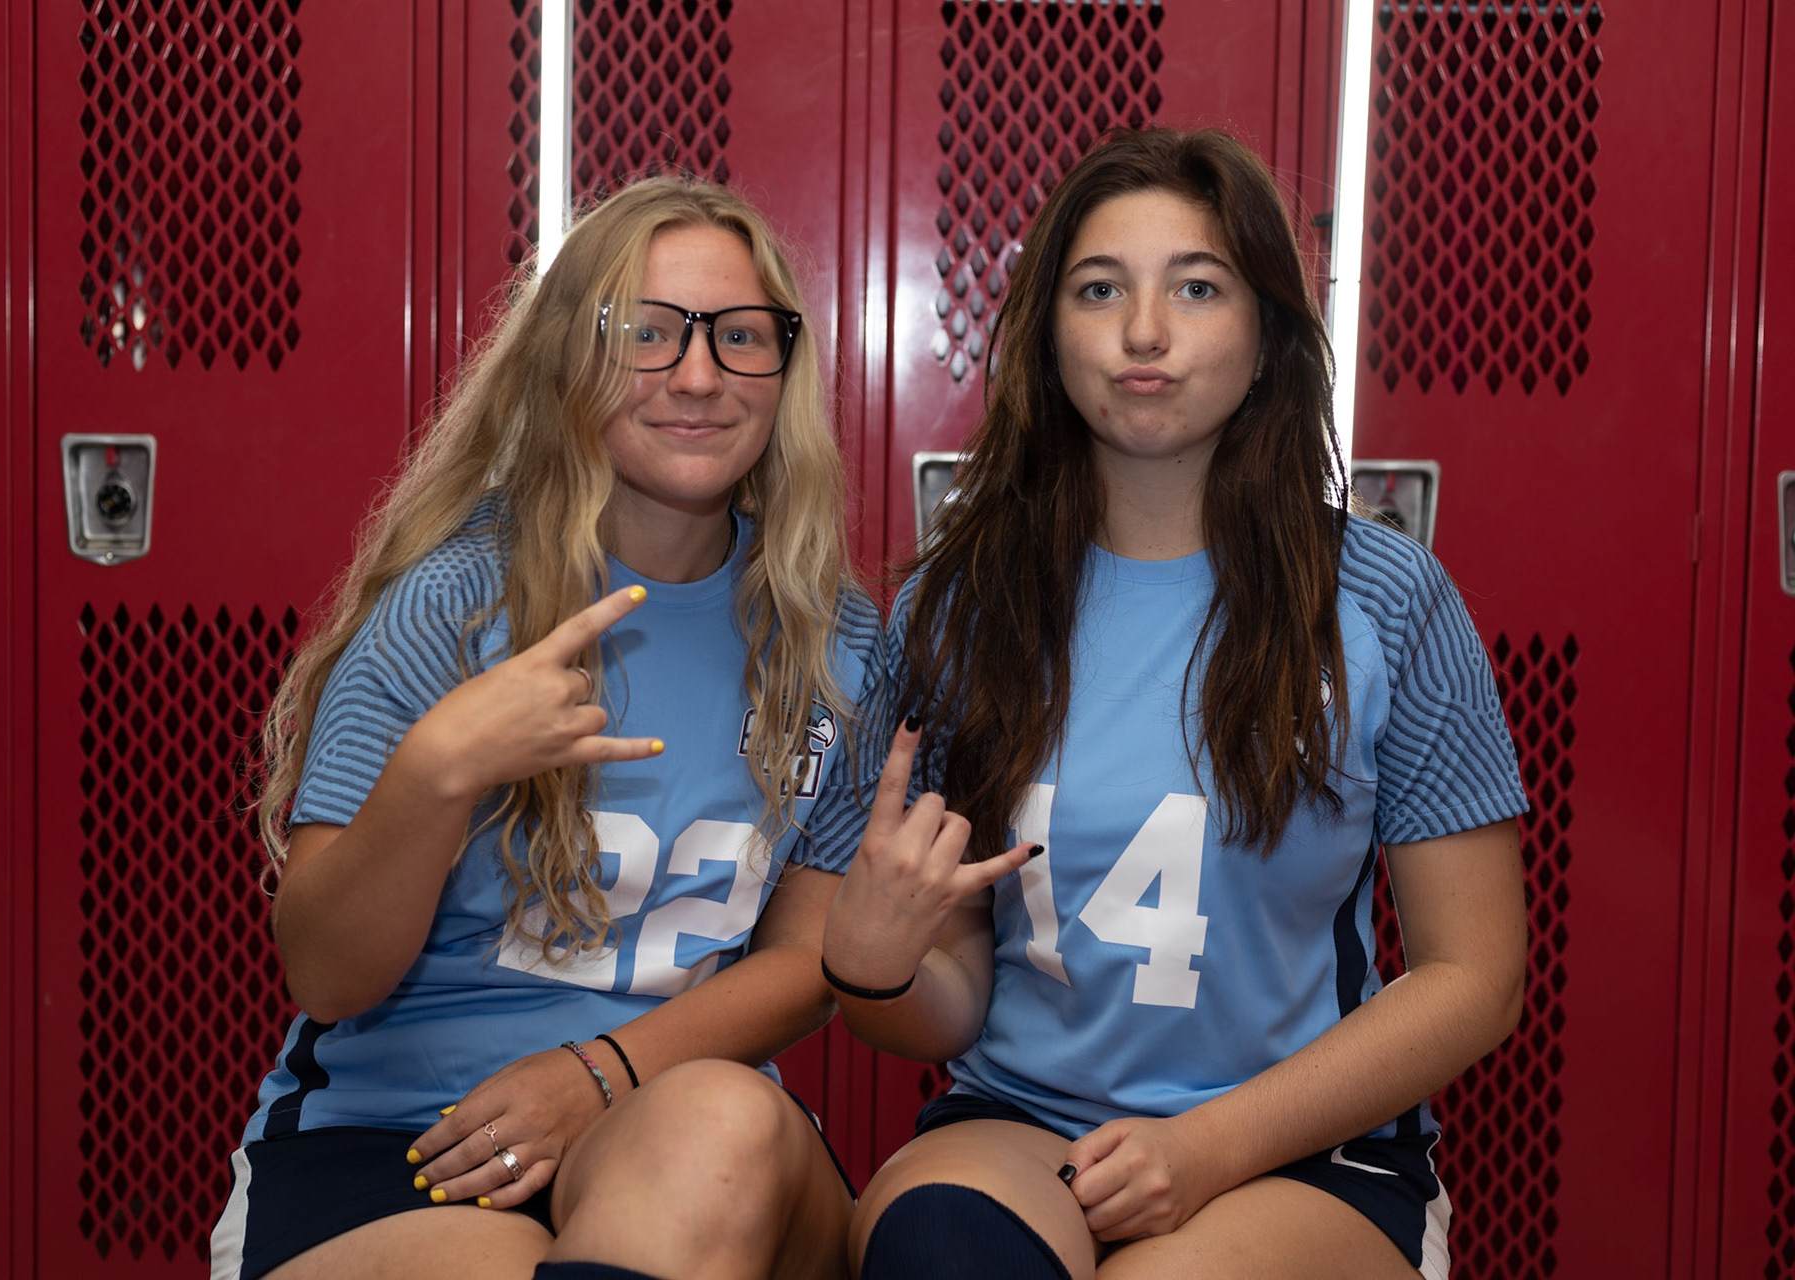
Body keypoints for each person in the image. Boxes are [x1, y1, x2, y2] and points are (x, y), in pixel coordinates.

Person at [822, 126, 1528, 1280]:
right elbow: (948, 996)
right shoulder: (958, 609)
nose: (1144, 330)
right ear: (1050, 335)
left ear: (1266, 337)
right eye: (1100, 289)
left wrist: (1205, 1147)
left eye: (1197, 287)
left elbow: (1476, 977)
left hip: (1298, 1148)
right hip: (1025, 1121)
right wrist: (872, 971)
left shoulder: (1385, 598)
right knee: (937, 1247)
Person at [209, 176, 879, 1280]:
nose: (698, 375)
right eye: (646, 334)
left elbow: (813, 955)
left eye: (740, 336)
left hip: (675, 1128)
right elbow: (325, 974)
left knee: (718, 1122)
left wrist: (602, 1072)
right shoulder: (453, 603)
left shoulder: (835, 639)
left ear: (784, 367)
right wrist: (439, 770)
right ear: (572, 356)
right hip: (412, 1134)